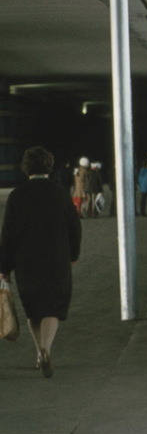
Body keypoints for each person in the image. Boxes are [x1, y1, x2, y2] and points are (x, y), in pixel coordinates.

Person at [0, 147, 82, 378]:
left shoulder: (17, 195)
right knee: (53, 306)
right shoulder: (59, 193)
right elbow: (74, 226)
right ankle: (46, 349)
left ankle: (39, 353)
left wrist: (4, 268)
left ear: (26, 168)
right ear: (49, 167)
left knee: (34, 309)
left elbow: (8, 234)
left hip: (26, 261)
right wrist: (73, 254)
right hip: (56, 258)